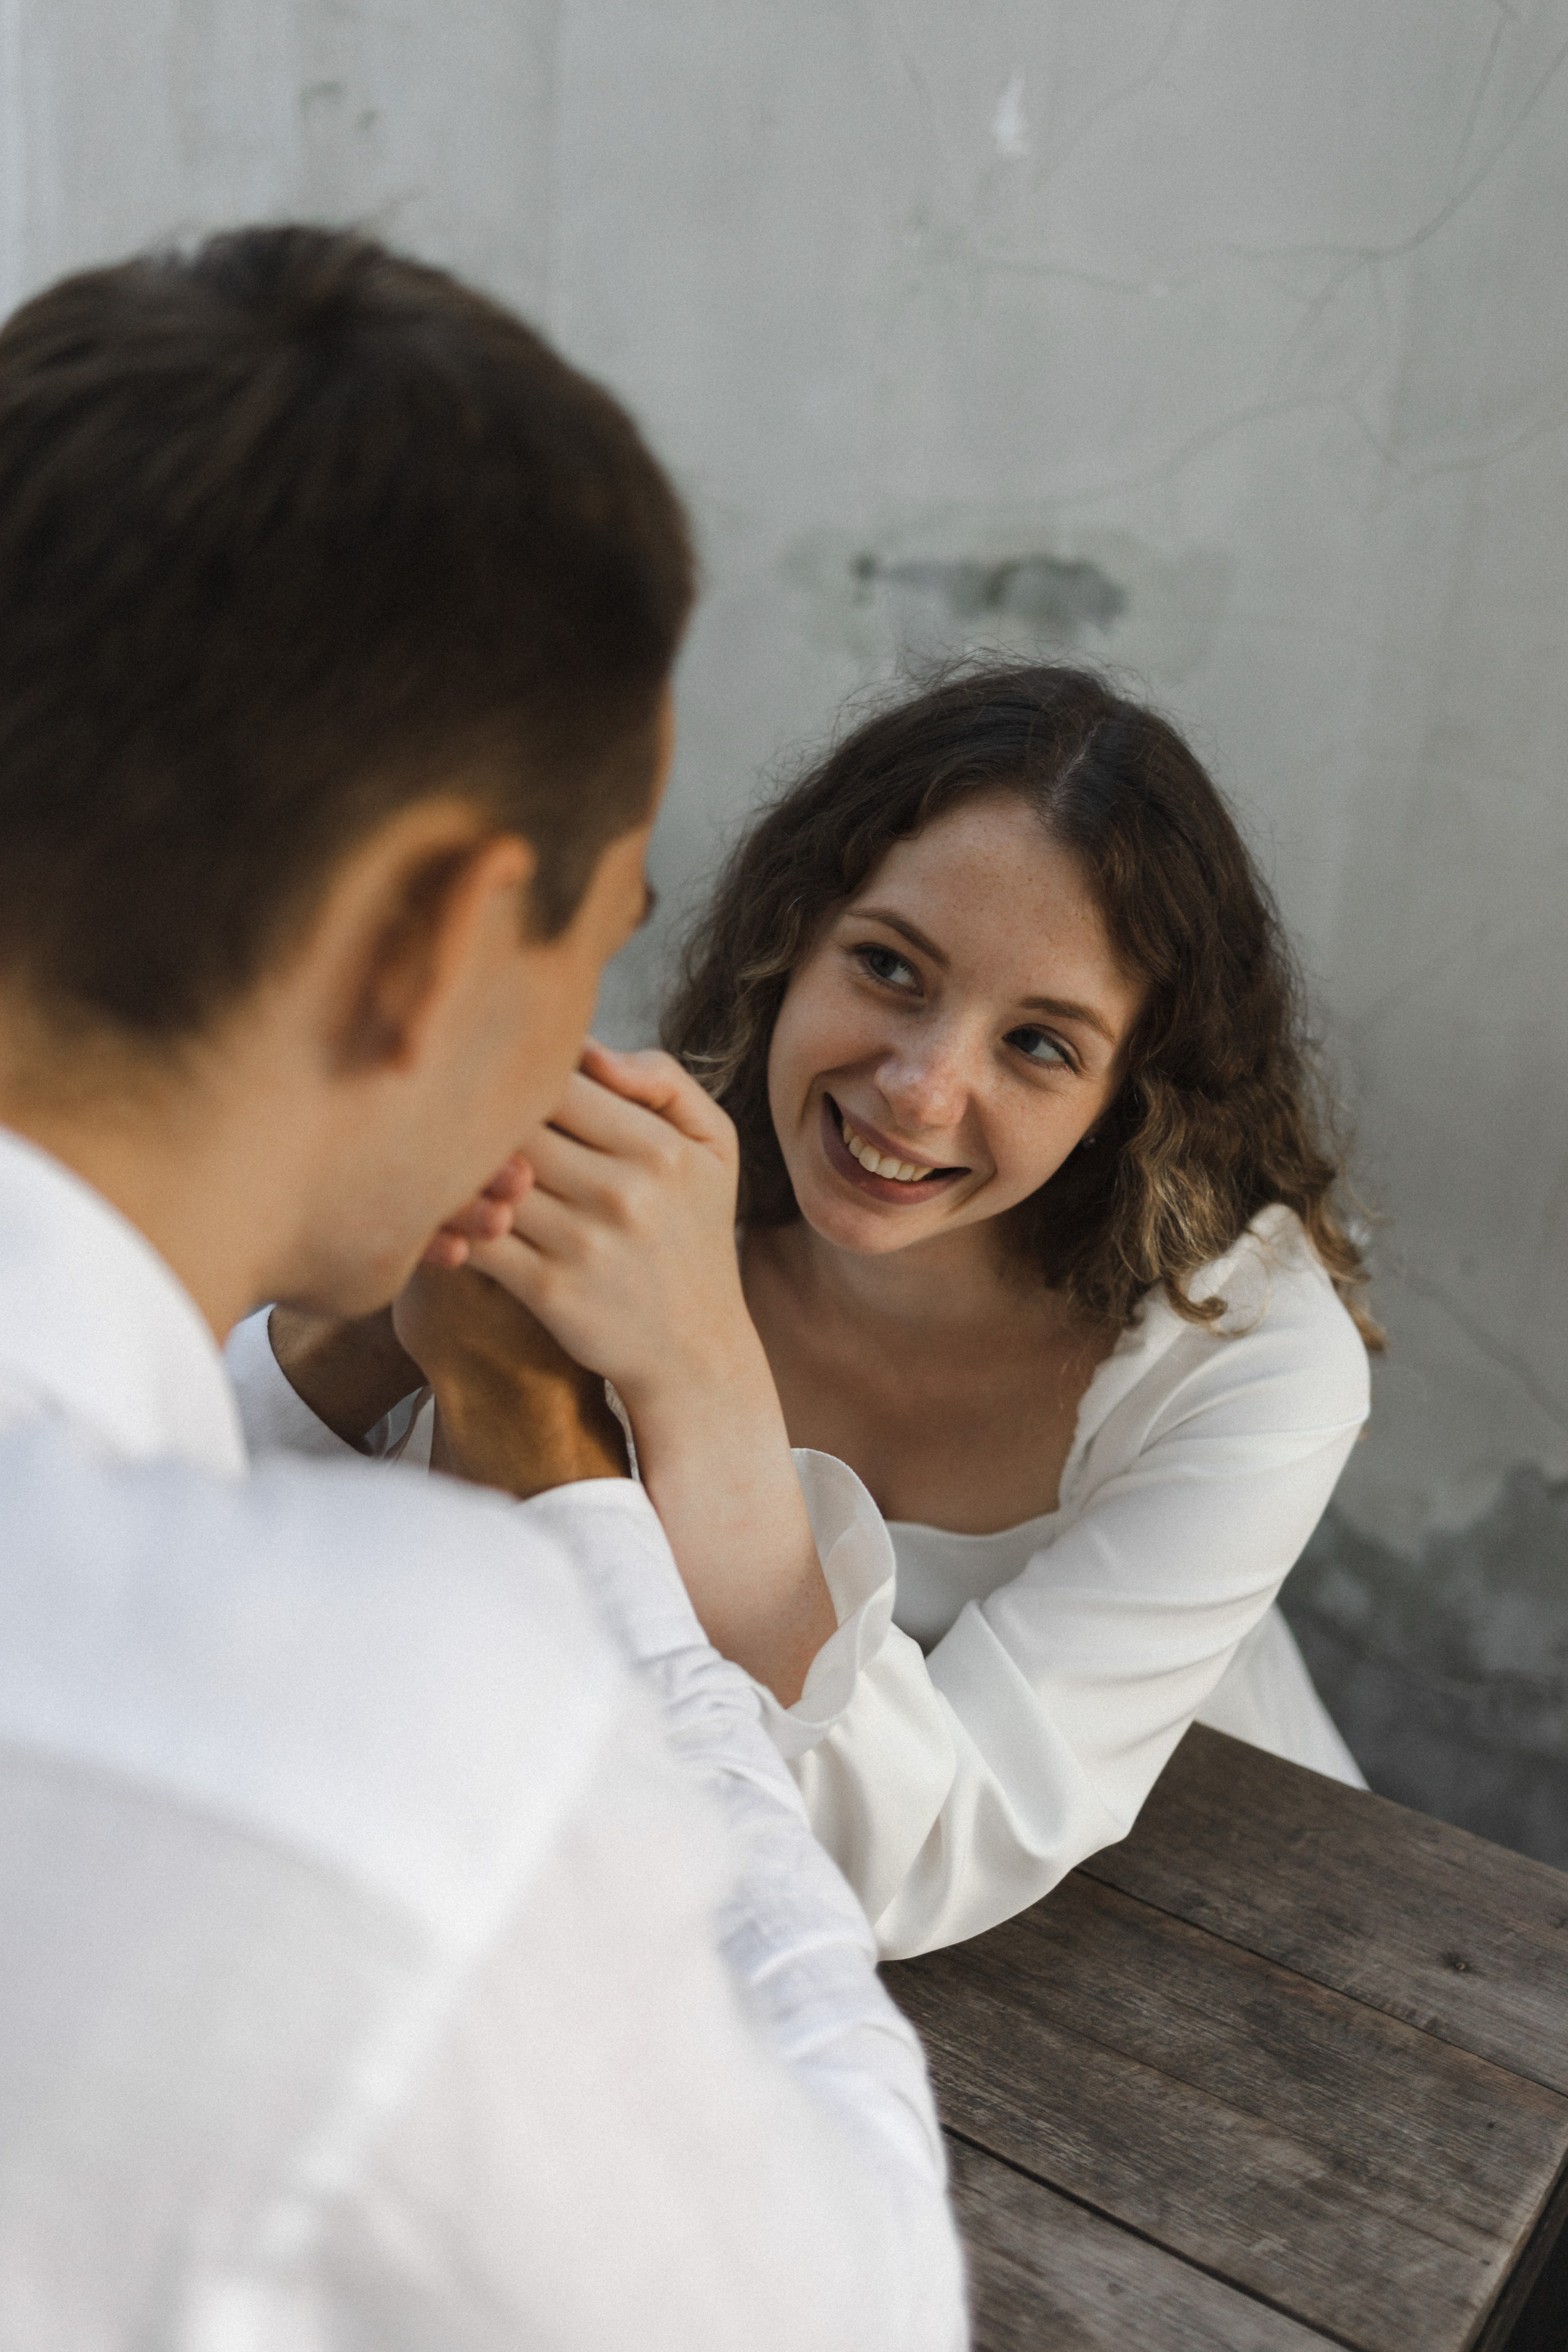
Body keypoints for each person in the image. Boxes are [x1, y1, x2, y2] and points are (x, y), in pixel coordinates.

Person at [0, 225, 966, 2347]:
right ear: (438, 944)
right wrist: (557, 1480)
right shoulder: (382, 1727)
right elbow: (858, 2305)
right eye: (595, 933)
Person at [248, 666, 1376, 1965]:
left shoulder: (1249, 1357)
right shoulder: (654, 1164)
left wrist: (702, 1376)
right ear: (793, 939)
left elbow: (925, 1861)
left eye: (1040, 1045)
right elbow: (193, 1521)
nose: (919, 1090)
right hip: (693, 1895)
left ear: (1130, 1096)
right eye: (890, 967)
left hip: (1206, 1943)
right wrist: (383, 1310)